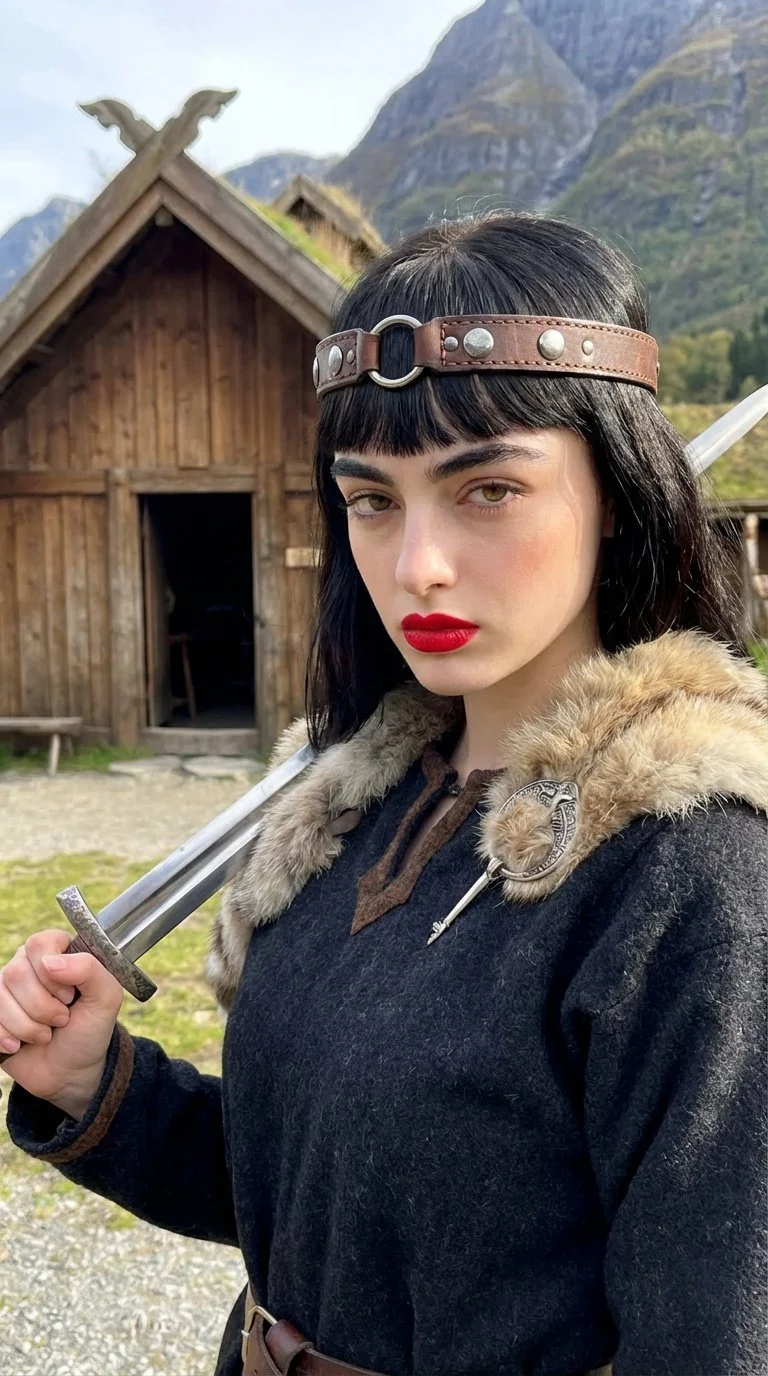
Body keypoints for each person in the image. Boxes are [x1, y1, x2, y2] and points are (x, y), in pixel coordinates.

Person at [2, 211, 767, 1376]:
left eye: (488, 489)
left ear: (614, 487)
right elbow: (336, 1198)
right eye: (373, 499)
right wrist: (95, 1085)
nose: (418, 565)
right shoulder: (345, 808)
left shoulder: (692, 877)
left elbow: (714, 1335)